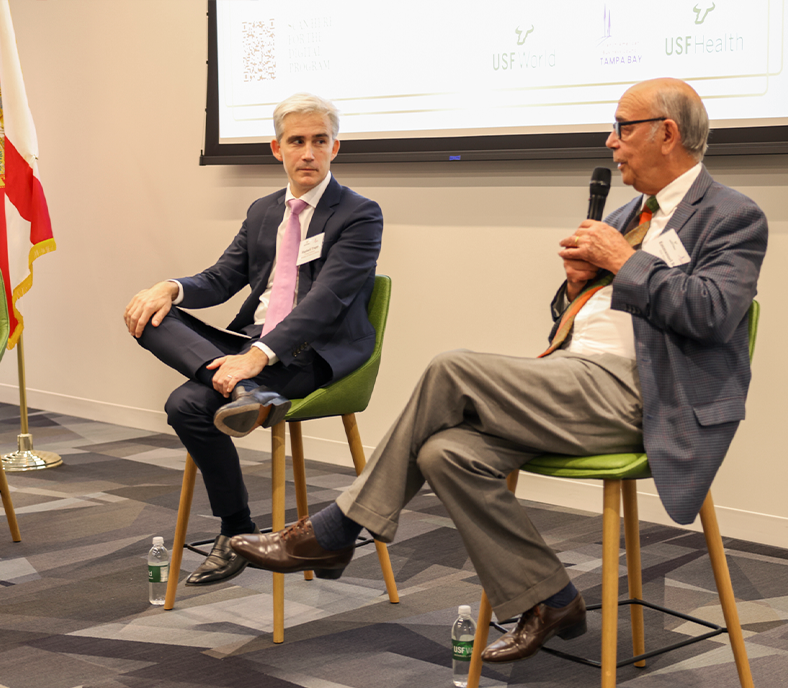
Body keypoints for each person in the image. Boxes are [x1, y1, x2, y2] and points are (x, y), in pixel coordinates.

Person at [231, 78, 768, 663]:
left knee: (452, 369)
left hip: (648, 398)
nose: (611, 144)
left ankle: (336, 531)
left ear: (667, 134)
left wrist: (623, 261)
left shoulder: (731, 215)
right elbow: (583, 322)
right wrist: (574, 291)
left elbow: (712, 315)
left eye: (622, 128)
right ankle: (551, 597)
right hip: (578, 379)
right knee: (446, 454)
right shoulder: (628, 212)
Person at [124, 93, 383, 587]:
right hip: (250, 348)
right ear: (277, 149)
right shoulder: (264, 210)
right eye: (297, 141)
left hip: (311, 353)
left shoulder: (360, 214)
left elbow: (325, 303)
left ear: (335, 148)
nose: (308, 153)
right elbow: (223, 277)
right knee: (153, 315)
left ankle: (235, 528)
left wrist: (257, 357)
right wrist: (171, 287)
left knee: (186, 405)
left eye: (319, 141)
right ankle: (244, 406)